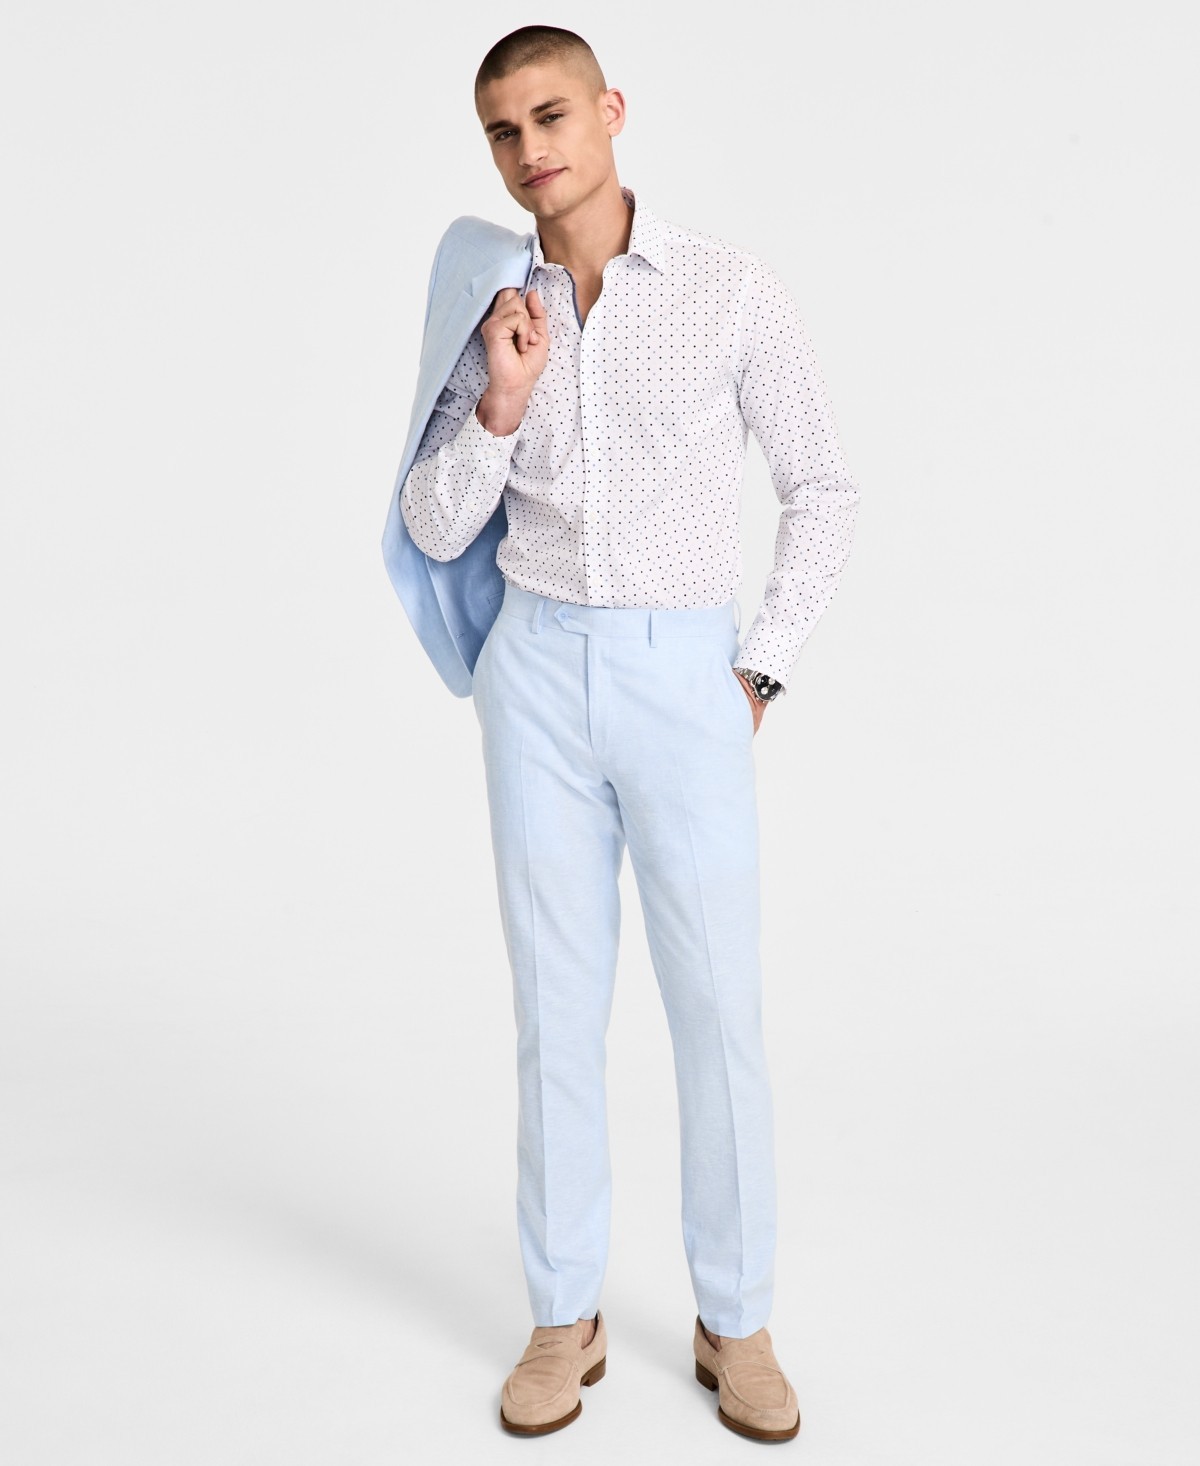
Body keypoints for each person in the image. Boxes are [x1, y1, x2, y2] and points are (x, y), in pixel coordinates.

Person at [399, 23, 861, 1441]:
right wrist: (501, 400)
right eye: (502, 130)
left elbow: (823, 488)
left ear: (610, 111)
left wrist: (756, 672)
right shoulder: (492, 304)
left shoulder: (727, 289)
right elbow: (432, 526)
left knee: (717, 1007)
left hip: (682, 674)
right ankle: (563, 1315)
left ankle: (739, 1320)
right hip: (535, 672)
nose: (528, 149)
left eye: (550, 115)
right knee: (555, 1008)